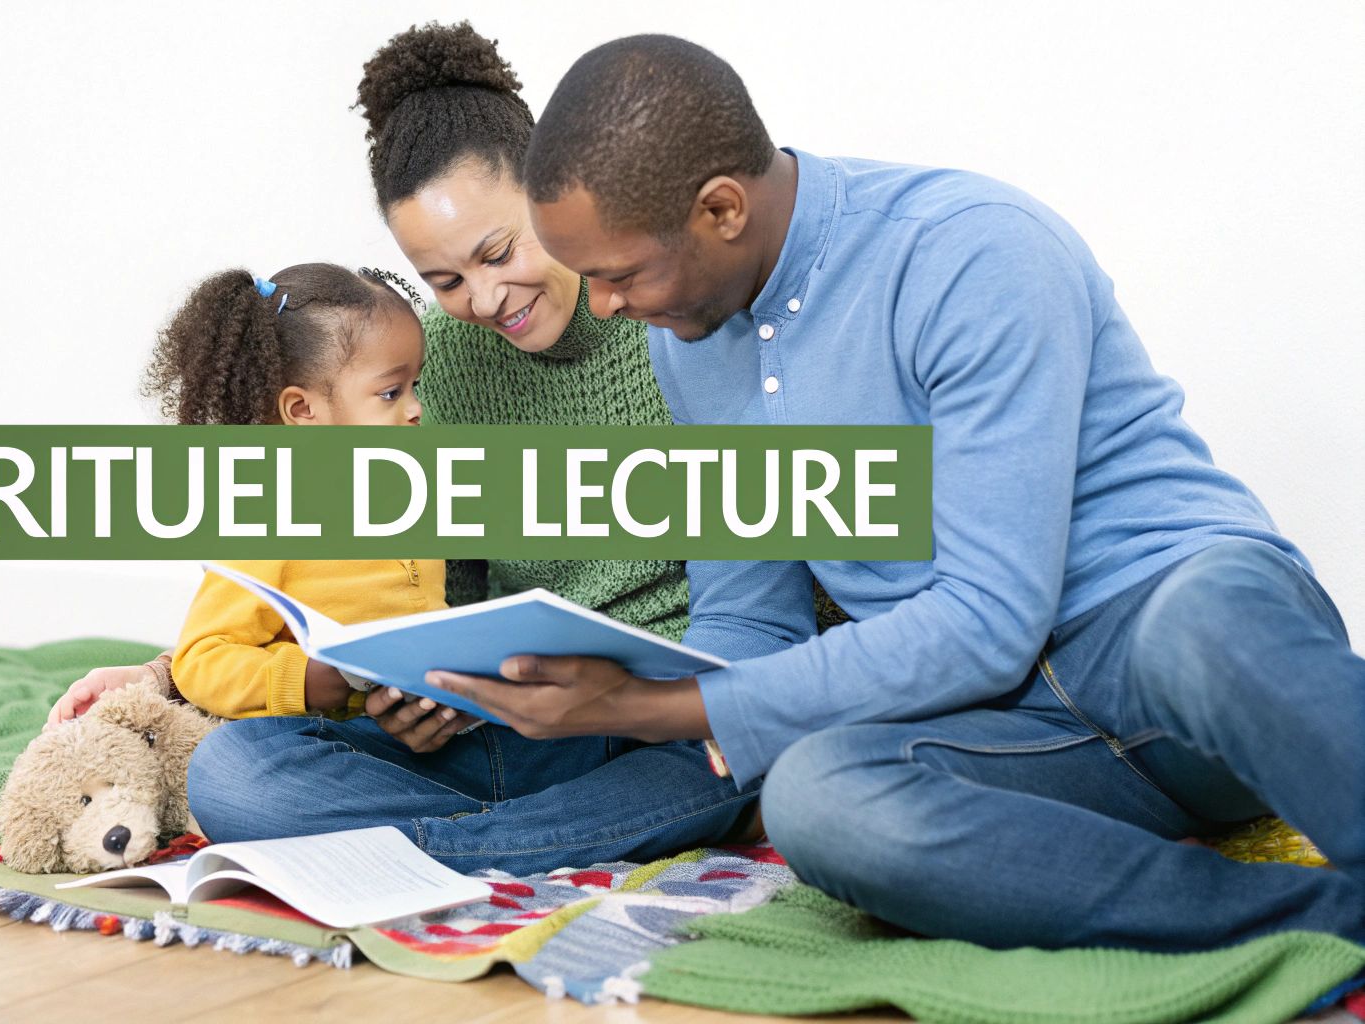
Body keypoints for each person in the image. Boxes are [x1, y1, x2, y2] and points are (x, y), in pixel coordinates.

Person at [431, 33, 1365, 950]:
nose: (604, 307)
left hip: (1170, 642)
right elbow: (750, 623)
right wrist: (571, 678)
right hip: (1016, 734)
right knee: (817, 797)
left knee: (1204, 619)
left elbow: (990, 618)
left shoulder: (970, 251)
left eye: (620, 273)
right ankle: (1293, 921)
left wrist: (649, 710)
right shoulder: (687, 347)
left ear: (720, 209)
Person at [173, 24, 760, 876]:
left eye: (499, 251)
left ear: (557, 195)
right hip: (501, 720)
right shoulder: (424, 370)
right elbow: (450, 579)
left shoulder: (672, 318)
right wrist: (425, 693)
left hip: (637, 725)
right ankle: (538, 838)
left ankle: (444, 852)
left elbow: (754, 597)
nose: (484, 298)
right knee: (232, 774)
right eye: (446, 281)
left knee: (731, 761)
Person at [46, 263, 445, 728]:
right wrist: (304, 681)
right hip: (323, 730)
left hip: (430, 722)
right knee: (237, 767)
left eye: (415, 386)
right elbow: (202, 659)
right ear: (302, 410)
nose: (416, 409)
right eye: (391, 392)